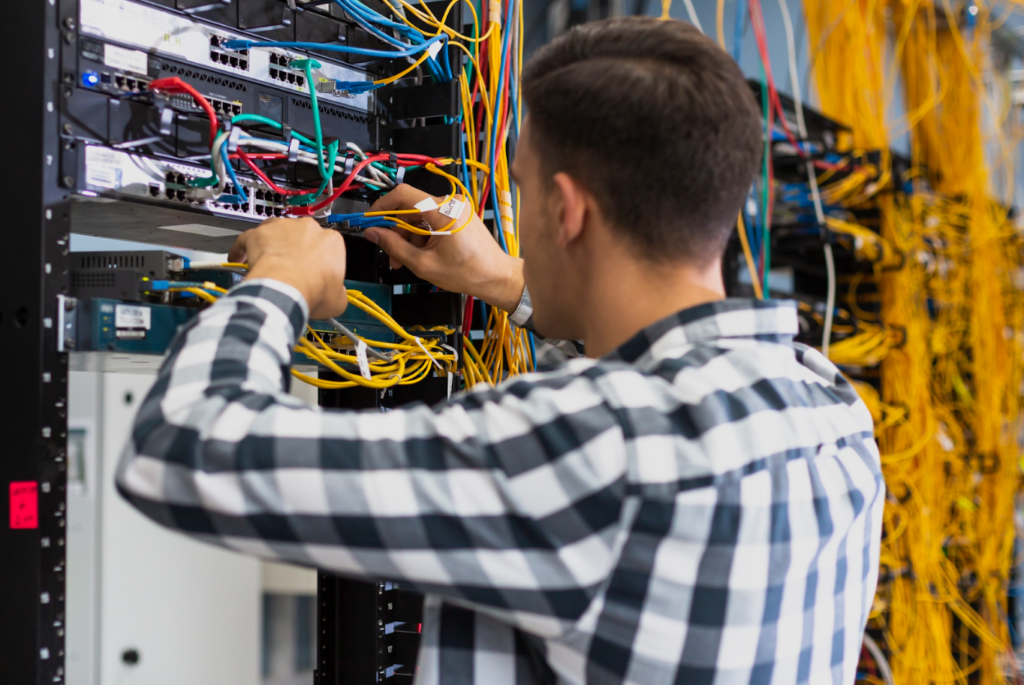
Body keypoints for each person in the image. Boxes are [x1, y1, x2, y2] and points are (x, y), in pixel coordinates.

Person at [117, 16, 884, 685]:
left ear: (565, 209)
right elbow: (650, 393)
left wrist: (280, 283)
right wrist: (508, 281)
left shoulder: (597, 452)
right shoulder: (827, 409)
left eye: (517, 189)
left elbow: (178, 448)